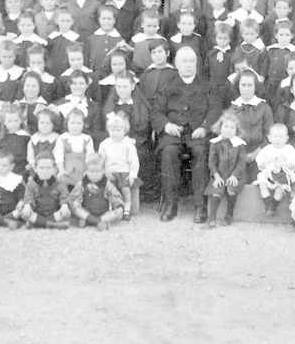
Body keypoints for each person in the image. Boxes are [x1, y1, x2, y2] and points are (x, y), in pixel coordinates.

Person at [153, 46, 217, 222]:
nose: (188, 65)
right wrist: (166, 125)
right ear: (176, 64)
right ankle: (170, 204)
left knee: (201, 153)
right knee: (169, 152)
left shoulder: (206, 86)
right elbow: (156, 111)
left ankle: (200, 206)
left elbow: (214, 110)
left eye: (192, 61)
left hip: (197, 134)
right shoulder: (168, 86)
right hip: (173, 133)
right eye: (184, 61)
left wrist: (204, 127)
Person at [203, 109, 247, 228]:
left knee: (231, 188)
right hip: (219, 174)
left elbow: (241, 163)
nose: (228, 129)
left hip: (235, 174)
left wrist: (234, 175)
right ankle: (212, 218)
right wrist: (216, 176)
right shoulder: (215, 143)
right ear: (220, 127)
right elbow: (212, 162)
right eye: (225, 126)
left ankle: (229, 214)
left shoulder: (240, 144)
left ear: (237, 130)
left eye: (232, 127)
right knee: (216, 190)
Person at [99, 112, 140, 221]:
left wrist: (132, 175)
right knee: (107, 189)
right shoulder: (104, 144)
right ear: (108, 130)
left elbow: (133, 162)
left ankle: (126, 210)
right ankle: (110, 208)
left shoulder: (128, 144)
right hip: (110, 173)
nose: (115, 133)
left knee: (125, 189)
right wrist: (104, 171)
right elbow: (101, 161)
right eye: (112, 130)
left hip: (123, 173)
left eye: (119, 130)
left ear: (125, 131)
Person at [69, 153, 124, 230]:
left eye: (98, 171)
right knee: (74, 206)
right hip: (86, 211)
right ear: (86, 171)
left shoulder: (107, 183)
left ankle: (91, 221)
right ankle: (98, 222)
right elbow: (73, 197)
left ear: (103, 171)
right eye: (91, 171)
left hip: (104, 212)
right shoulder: (81, 183)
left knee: (115, 213)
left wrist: (119, 208)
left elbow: (115, 196)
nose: (95, 175)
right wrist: (75, 203)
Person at [254, 123, 295, 215]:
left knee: (280, 189)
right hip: (268, 174)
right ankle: (268, 205)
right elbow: (260, 163)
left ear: (287, 139)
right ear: (270, 138)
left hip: (283, 174)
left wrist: (283, 163)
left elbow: (293, 164)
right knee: (262, 184)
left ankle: (273, 206)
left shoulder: (289, 149)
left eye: (281, 137)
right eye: (275, 137)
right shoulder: (267, 149)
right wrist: (267, 162)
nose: (278, 139)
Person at [20, 153, 71, 229]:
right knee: (24, 212)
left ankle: (39, 223)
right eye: (41, 168)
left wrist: (64, 205)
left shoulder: (59, 183)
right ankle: (52, 225)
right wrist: (27, 205)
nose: (45, 171)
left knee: (66, 212)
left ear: (54, 169)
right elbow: (28, 197)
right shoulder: (31, 184)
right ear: (36, 169)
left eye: (48, 168)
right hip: (37, 213)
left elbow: (64, 196)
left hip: (54, 213)